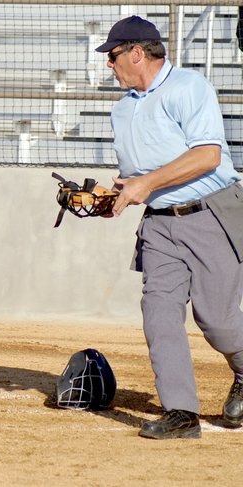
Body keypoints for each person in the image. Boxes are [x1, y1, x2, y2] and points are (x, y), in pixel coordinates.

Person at [97, 16, 243, 440]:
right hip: (160, 224)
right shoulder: (121, 108)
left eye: (113, 55)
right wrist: (115, 195)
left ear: (136, 53)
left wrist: (146, 183)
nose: (110, 63)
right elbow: (137, 175)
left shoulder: (189, 87)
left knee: (216, 319)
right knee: (159, 311)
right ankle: (181, 411)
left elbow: (208, 156)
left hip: (210, 212)